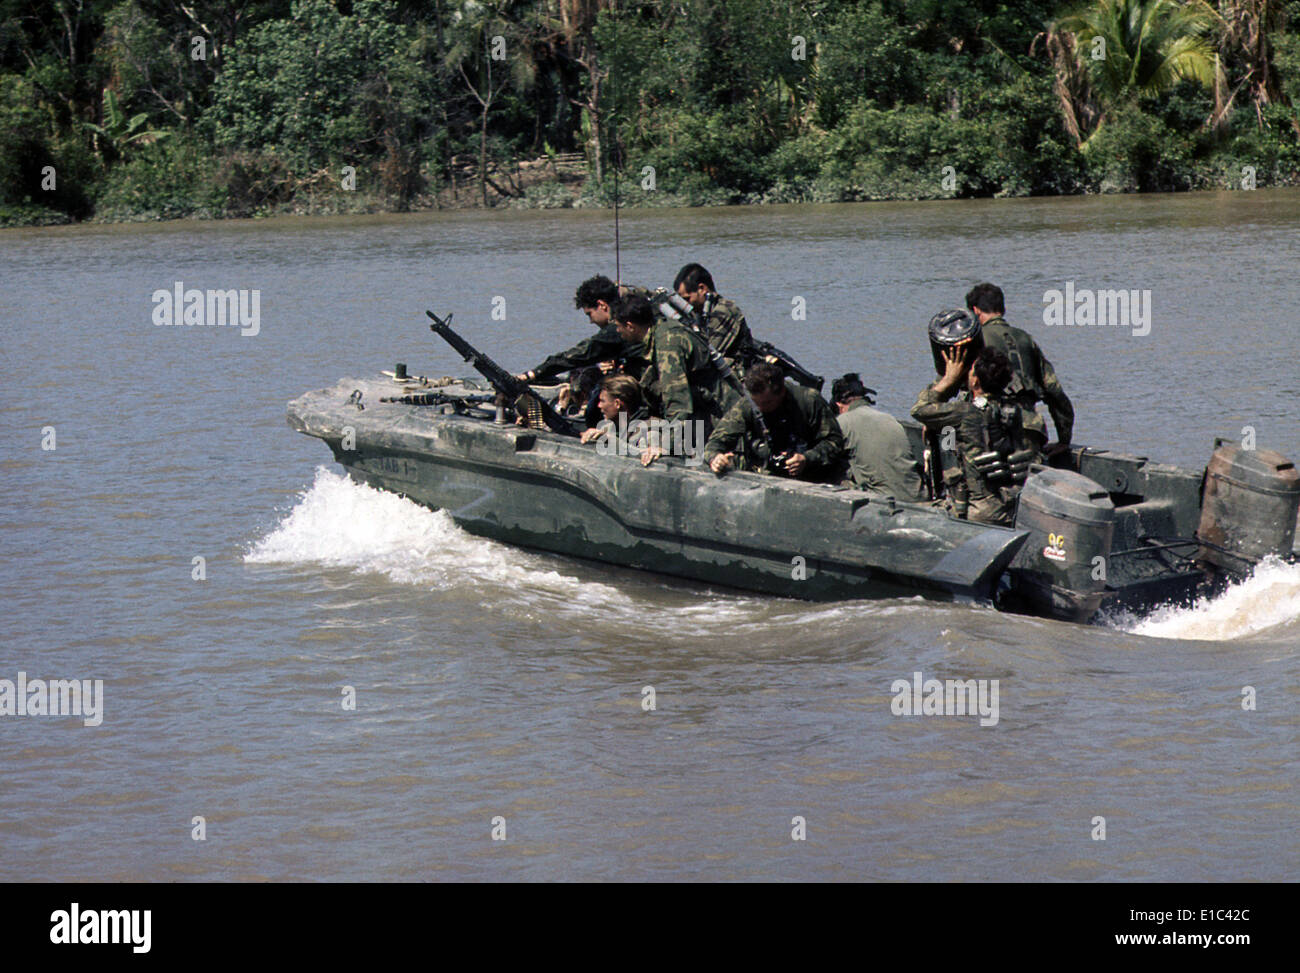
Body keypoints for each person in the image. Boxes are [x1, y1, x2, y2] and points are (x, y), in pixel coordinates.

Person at [911, 345, 1041, 526]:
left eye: (971, 373)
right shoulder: (1012, 410)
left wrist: (948, 379)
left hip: (979, 511)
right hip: (1011, 507)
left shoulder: (965, 412)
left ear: (976, 382)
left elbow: (919, 409)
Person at [965, 282, 1072, 451]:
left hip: (990, 429)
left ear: (975, 311)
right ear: (1003, 309)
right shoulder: (1025, 339)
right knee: (1030, 475)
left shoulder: (975, 340)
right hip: (1030, 429)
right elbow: (1054, 392)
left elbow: (948, 384)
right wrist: (1064, 440)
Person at [704, 362, 844, 482]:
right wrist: (715, 458)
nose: (760, 408)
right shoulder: (748, 405)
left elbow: (835, 441)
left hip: (811, 477)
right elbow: (716, 442)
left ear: (782, 392)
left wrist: (806, 458)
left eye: (767, 403)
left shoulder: (809, 400)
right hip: (765, 474)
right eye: (756, 403)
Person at [516, 275, 646, 385]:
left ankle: (618, 416)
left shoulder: (617, 330)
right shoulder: (639, 311)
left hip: (642, 402)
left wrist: (532, 374)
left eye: (589, 314)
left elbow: (576, 356)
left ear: (602, 305)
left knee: (613, 392)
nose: (591, 321)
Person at [830, 374, 924, 501]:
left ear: (838, 405)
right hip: (916, 495)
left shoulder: (842, 422)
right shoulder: (888, 418)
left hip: (883, 499)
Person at [673, 263, 754, 371]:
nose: (684, 304)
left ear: (702, 288)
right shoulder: (698, 311)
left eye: (687, 299)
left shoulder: (724, 311)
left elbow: (707, 354)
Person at [580, 374, 650, 444]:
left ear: (617, 403)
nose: (599, 405)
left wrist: (609, 439)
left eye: (602, 401)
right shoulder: (610, 427)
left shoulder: (648, 428)